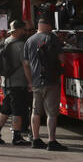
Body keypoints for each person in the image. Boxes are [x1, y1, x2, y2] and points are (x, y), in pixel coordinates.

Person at [26, 18, 68, 151]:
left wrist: (30, 81)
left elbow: (26, 64)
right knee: (51, 112)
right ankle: (51, 140)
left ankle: (36, 139)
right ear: (48, 25)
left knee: (36, 111)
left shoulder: (29, 40)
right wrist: (61, 67)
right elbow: (61, 59)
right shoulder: (52, 38)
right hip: (51, 80)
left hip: (36, 82)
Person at [0, 20, 32, 146]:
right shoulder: (20, 45)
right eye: (23, 29)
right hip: (17, 83)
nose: (25, 32)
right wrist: (30, 82)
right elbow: (25, 65)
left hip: (6, 82)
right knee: (17, 111)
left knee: (6, 109)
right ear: (18, 30)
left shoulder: (5, 42)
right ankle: (17, 137)